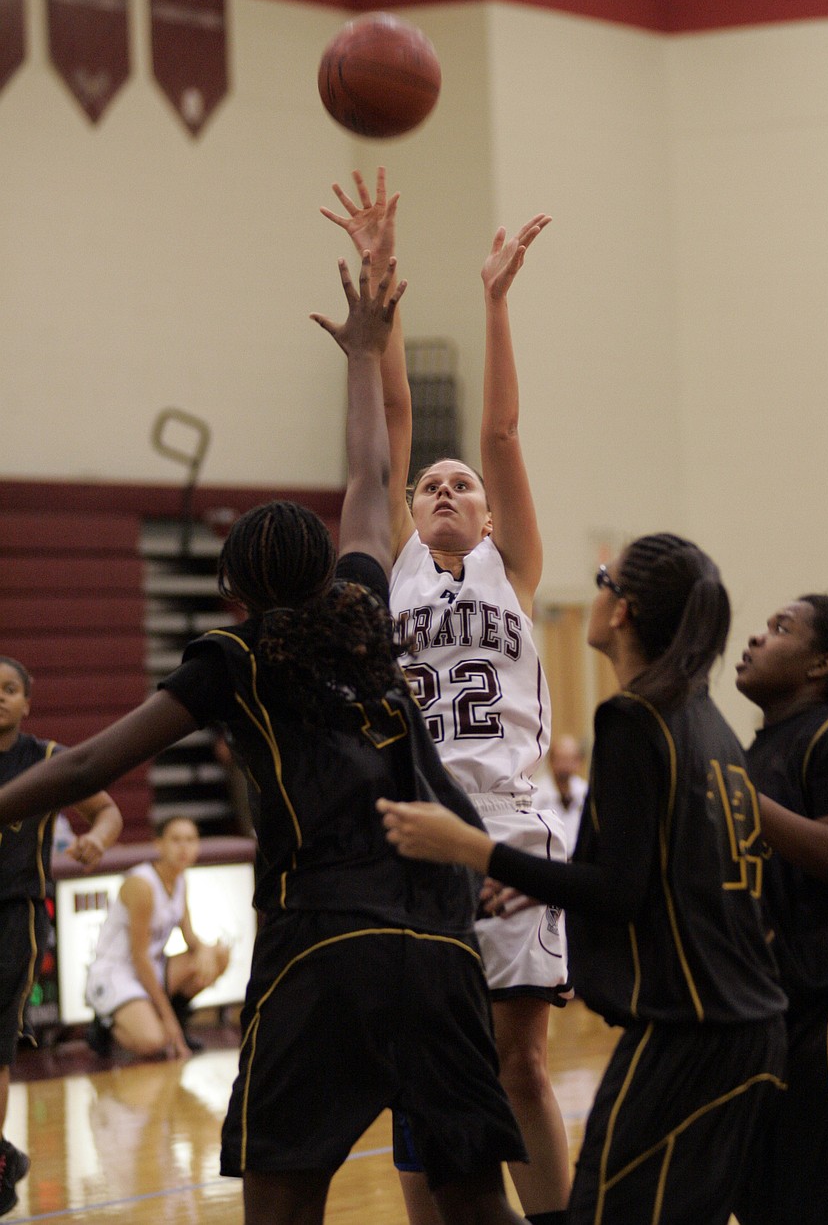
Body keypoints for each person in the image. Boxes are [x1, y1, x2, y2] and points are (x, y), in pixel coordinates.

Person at [0, 254, 530, 1225]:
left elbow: (82, 764)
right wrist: (363, 354)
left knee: (284, 1201)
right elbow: (367, 479)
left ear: (234, 590)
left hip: (322, 939)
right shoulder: (367, 609)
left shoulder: (235, 658)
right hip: (436, 942)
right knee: (472, 1200)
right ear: (327, 570)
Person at [379, 534, 789, 1225]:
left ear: (622, 611)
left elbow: (620, 893)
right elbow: (650, 868)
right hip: (748, 1024)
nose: (594, 591)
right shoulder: (704, 718)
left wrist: (477, 850)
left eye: (603, 579)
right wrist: (542, 879)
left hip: (691, 1031)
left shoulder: (633, 718)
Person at [323, 169, 571, 1225]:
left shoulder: (515, 570)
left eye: (461, 483)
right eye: (433, 482)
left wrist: (495, 301)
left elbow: (505, 435)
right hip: (411, 836)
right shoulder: (392, 572)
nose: (446, 488)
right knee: (417, 1071)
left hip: (509, 831)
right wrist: (382, 301)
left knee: (518, 1062)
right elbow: (383, 427)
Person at [734, 594, 828, 1225]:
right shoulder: (753, 756)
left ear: (821, 663)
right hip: (764, 1014)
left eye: (781, 629)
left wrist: (737, 796)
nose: (756, 638)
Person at [0, 655, 122, 1216]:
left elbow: (108, 812)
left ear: (28, 702)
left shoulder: (47, 758)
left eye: (9, 689)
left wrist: (97, 837)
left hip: (14, 915)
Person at [85, 814, 231, 1060]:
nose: (184, 847)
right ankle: (104, 1025)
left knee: (219, 955)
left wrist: (205, 949)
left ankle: (177, 1026)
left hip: (150, 966)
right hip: (116, 972)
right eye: (176, 840)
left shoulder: (180, 879)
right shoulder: (142, 885)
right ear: (158, 844)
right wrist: (167, 1020)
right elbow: (139, 958)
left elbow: (189, 937)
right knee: (153, 1041)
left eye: (190, 840)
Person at [535, 734, 587, 857]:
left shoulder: (585, 792)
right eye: (561, 759)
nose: (566, 765)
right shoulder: (536, 794)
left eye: (571, 759)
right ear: (551, 761)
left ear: (579, 762)